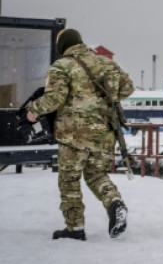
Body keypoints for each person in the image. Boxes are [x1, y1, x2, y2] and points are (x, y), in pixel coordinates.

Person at [25, 28, 134, 240]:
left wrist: (33, 110)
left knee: (69, 180)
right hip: (104, 133)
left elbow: (54, 99)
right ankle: (114, 203)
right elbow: (128, 88)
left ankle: (74, 228)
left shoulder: (61, 66)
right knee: (96, 175)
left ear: (62, 46)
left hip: (73, 135)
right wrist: (102, 98)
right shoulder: (106, 63)